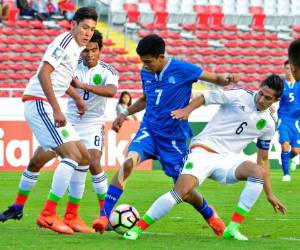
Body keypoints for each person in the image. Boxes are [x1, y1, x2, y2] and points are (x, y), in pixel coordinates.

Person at [92, 34, 239, 236]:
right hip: (149, 130)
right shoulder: (146, 72)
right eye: (142, 61)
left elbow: (215, 79)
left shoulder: (184, 69)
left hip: (173, 138)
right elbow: (146, 98)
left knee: (183, 190)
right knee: (128, 163)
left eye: (148, 61)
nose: (144, 65)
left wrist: (226, 79)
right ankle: (103, 215)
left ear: (161, 57)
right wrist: (125, 114)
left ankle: (209, 214)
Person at [124, 74, 287, 241]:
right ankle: (138, 228)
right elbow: (205, 97)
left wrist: (269, 194)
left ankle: (232, 228)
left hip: (228, 161)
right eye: (261, 93)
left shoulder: (269, 123)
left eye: (267, 98)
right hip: (203, 150)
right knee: (182, 191)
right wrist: (187, 110)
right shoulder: (239, 95)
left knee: (257, 171)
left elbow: (263, 160)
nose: (261, 99)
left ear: (275, 100)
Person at [0, 30, 119, 234]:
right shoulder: (73, 64)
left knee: (93, 161)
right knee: (36, 161)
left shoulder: (109, 70)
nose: (89, 54)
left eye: (94, 50)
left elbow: (111, 91)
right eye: (86, 50)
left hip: (93, 124)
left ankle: (104, 214)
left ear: (100, 50)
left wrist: (83, 87)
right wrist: (77, 97)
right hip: (69, 120)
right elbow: (59, 82)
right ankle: (18, 206)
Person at [278, 60, 300, 181]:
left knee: (296, 150)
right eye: (286, 69)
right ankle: (286, 174)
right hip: (284, 120)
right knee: (285, 145)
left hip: (296, 121)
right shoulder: (280, 85)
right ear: (284, 70)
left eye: (291, 68)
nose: (289, 71)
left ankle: (290, 158)